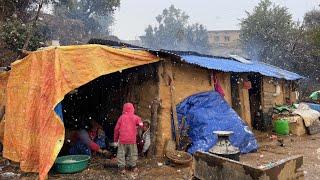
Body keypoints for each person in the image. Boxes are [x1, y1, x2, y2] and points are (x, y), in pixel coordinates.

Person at [114, 103, 143, 174]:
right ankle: (133, 167)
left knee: (121, 154)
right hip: (132, 140)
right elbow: (141, 124)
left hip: (122, 140)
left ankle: (122, 168)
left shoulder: (121, 117)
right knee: (133, 153)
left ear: (124, 109)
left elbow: (116, 129)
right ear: (133, 109)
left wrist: (115, 140)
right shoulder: (135, 117)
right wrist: (138, 126)